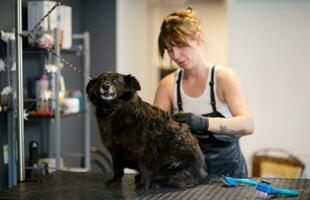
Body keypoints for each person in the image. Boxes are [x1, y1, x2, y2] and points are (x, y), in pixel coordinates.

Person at [153, 7, 254, 177]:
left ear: (198, 38)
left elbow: (248, 125)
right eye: (169, 49)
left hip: (230, 175)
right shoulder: (168, 85)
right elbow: (155, 133)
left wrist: (203, 123)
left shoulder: (224, 78)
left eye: (180, 45)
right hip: (188, 176)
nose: (175, 55)